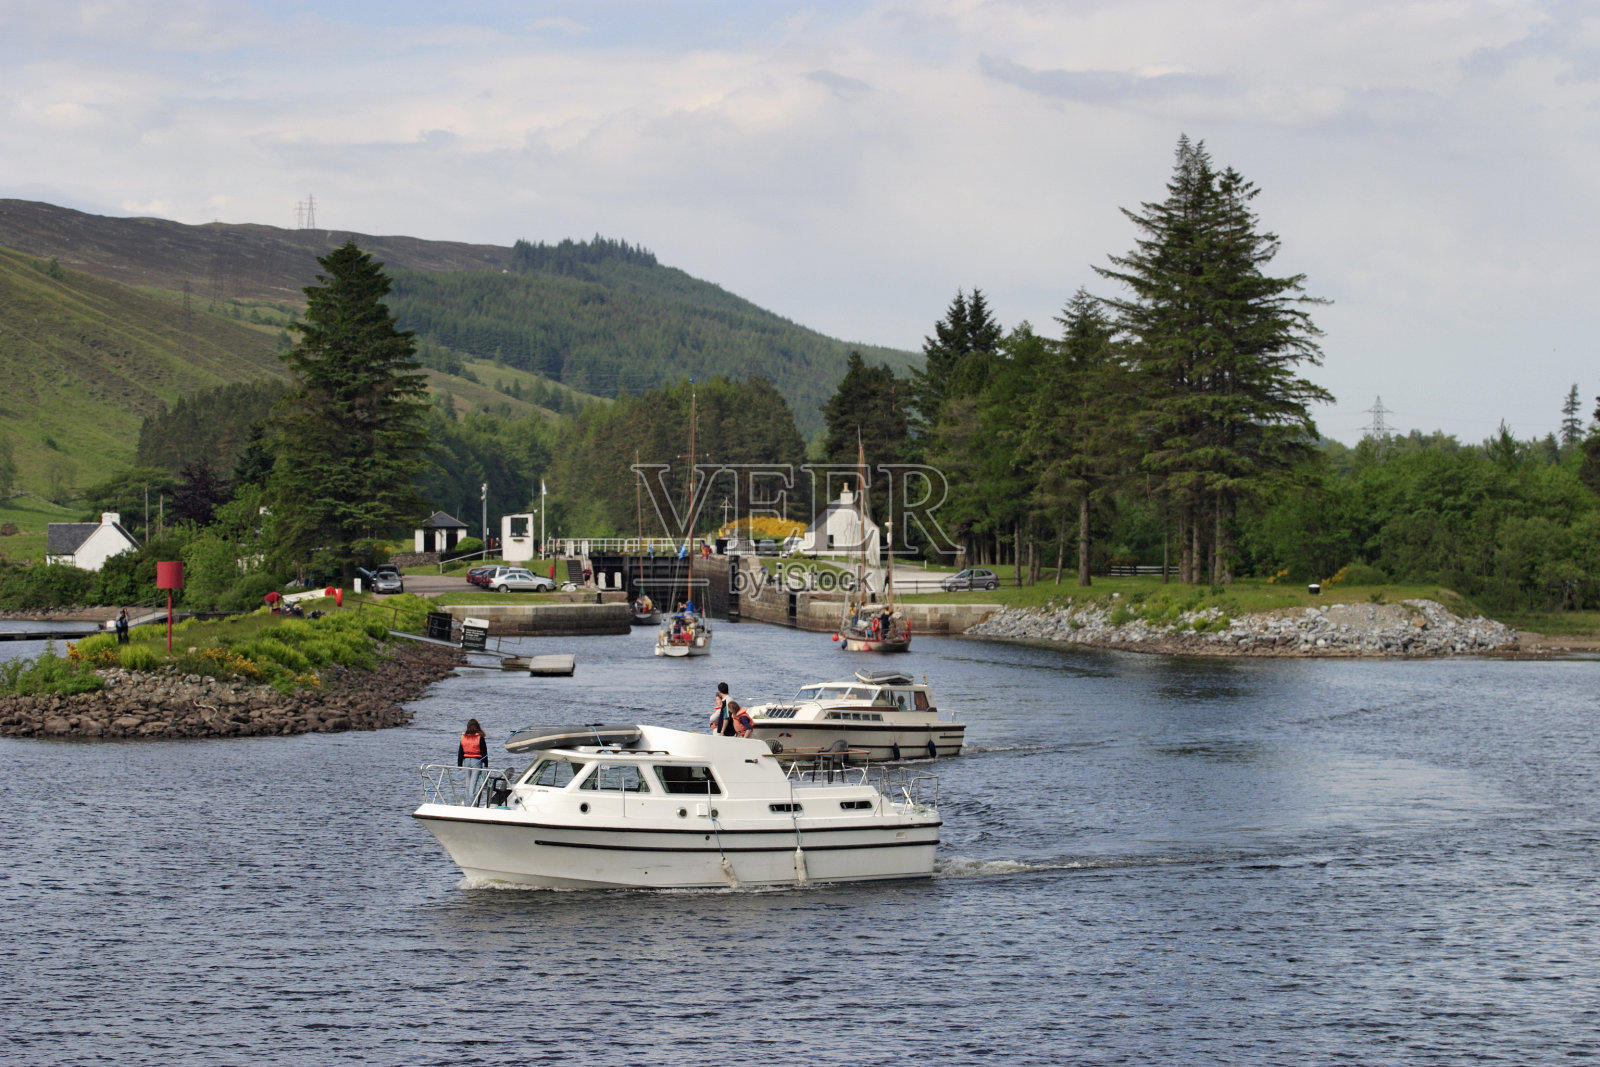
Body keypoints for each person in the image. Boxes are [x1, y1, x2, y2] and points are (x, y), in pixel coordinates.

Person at [458, 719, 490, 803]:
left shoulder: (463, 736)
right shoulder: (480, 737)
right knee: (473, 782)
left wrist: (459, 764)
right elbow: (484, 752)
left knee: (467, 782)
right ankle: (471, 802)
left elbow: (460, 751)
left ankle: (467, 801)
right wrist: (486, 764)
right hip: (477, 761)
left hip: (466, 760)